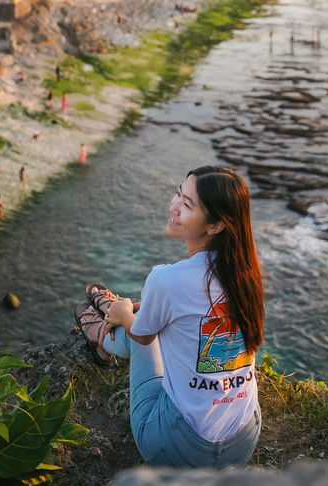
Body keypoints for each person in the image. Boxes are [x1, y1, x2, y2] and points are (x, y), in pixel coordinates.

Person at [75, 166, 264, 468]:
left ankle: (103, 338)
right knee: (159, 317)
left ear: (215, 226)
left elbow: (144, 336)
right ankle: (124, 313)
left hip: (179, 449)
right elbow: (194, 308)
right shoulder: (248, 275)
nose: (174, 206)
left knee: (139, 329)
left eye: (187, 204)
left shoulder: (166, 279)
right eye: (179, 193)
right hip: (242, 441)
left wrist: (125, 314)